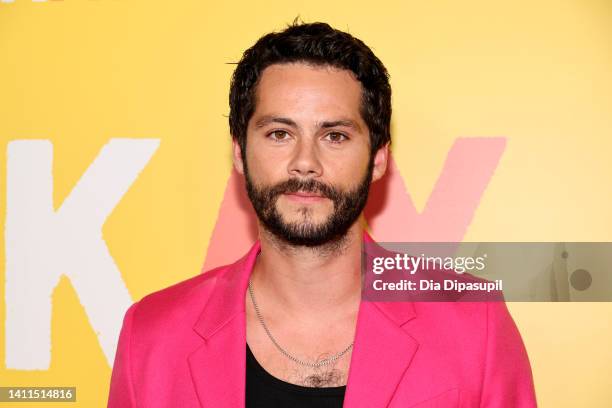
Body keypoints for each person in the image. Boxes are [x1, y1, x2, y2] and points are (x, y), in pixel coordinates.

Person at [108, 22, 537, 407]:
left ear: (379, 159)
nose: (305, 162)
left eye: (334, 135)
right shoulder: (152, 335)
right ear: (240, 153)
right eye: (279, 134)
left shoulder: (471, 321)